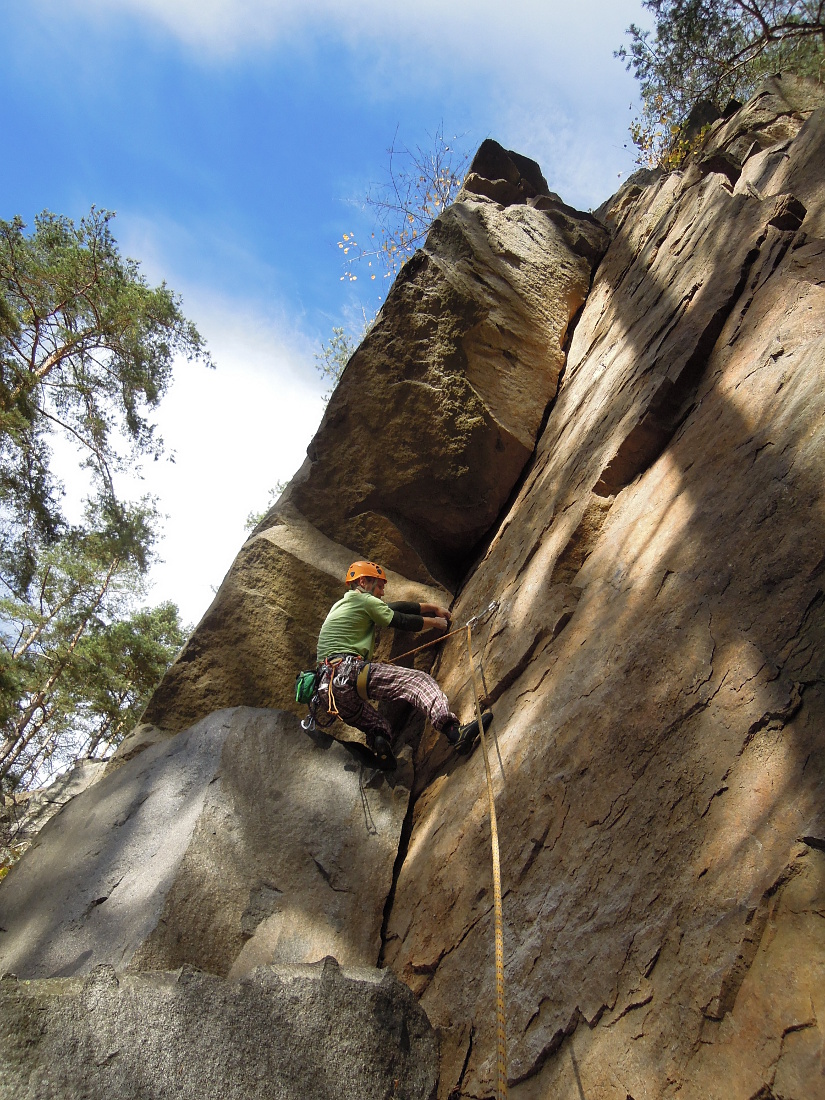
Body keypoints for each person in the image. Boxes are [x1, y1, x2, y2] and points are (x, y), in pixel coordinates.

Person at [314, 560, 492, 767]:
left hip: (326, 689)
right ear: (363, 581)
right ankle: (454, 732)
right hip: (348, 669)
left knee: (377, 726)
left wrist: (432, 607)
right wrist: (434, 622)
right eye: (379, 586)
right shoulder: (363, 602)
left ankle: (383, 759)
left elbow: (393, 607)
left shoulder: (343, 604)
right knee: (417, 681)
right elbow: (398, 619)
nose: (381, 592)